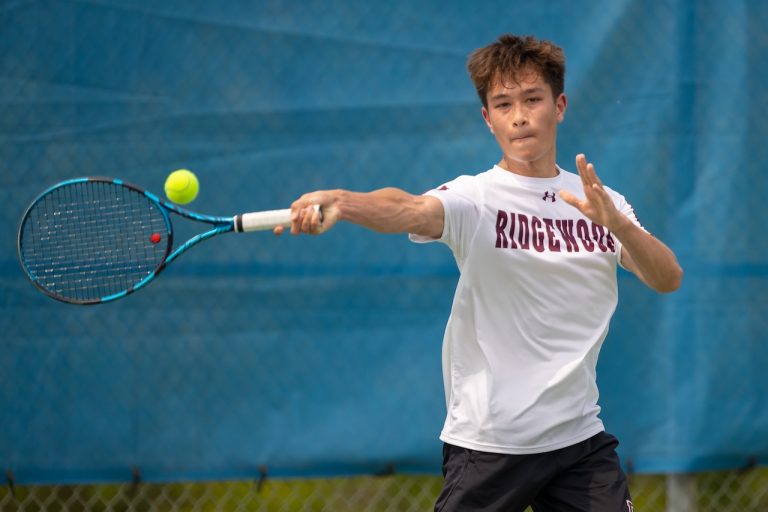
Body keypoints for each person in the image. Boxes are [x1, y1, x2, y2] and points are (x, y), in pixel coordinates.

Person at [275, 33, 682, 512]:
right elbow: (408, 207)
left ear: (560, 105)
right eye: (503, 104)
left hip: (578, 440)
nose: (520, 115)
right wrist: (344, 202)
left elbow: (666, 277)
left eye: (533, 99)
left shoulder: (601, 203)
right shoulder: (476, 198)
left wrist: (619, 227)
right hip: (490, 444)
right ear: (488, 119)